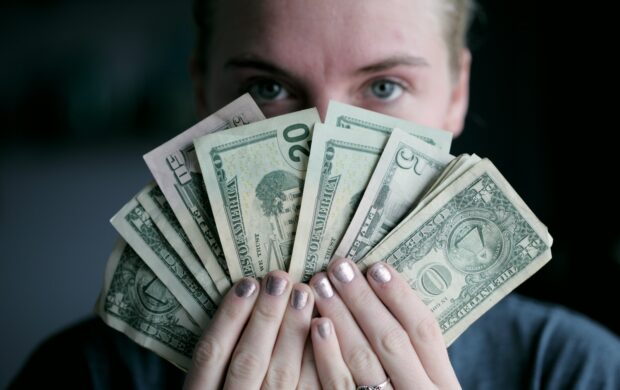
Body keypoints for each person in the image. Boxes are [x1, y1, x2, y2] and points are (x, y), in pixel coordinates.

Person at [11, 0, 620, 389]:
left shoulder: (579, 371)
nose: (323, 137)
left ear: (458, 93)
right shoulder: (80, 377)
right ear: (201, 90)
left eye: (384, 86)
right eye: (267, 85)